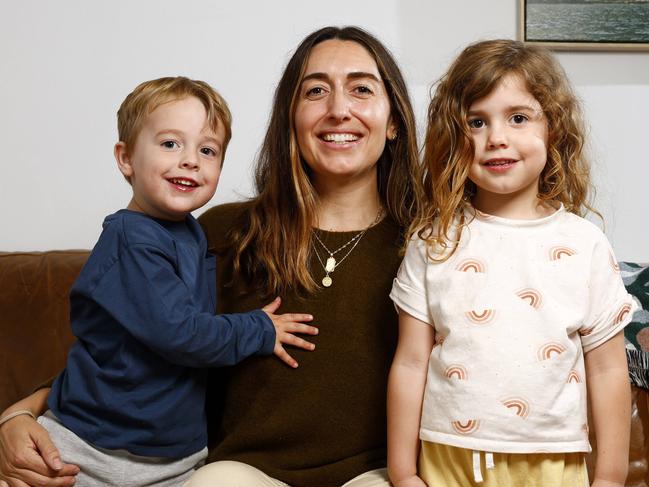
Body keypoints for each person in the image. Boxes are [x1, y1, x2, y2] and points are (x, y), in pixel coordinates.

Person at [0, 26, 419, 487]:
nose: (339, 109)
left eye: (361, 89)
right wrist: (18, 415)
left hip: (372, 474)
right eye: (315, 91)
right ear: (290, 118)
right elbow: (123, 344)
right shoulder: (217, 233)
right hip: (240, 472)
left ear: (394, 119)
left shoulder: (431, 245)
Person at [0, 76, 317, 487]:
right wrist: (258, 327)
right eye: (170, 144)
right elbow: (180, 332)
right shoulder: (130, 238)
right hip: (90, 446)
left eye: (208, 150)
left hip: (173, 457)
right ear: (126, 157)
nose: (190, 160)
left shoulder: (194, 233)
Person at [387, 39, 637, 487]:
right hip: (448, 457)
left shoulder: (585, 245)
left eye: (518, 118)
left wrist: (611, 476)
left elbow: (608, 368)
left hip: (551, 462)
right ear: (454, 138)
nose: (496, 137)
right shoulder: (433, 242)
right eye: (476, 122)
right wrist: (403, 472)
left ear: (553, 130)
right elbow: (409, 362)